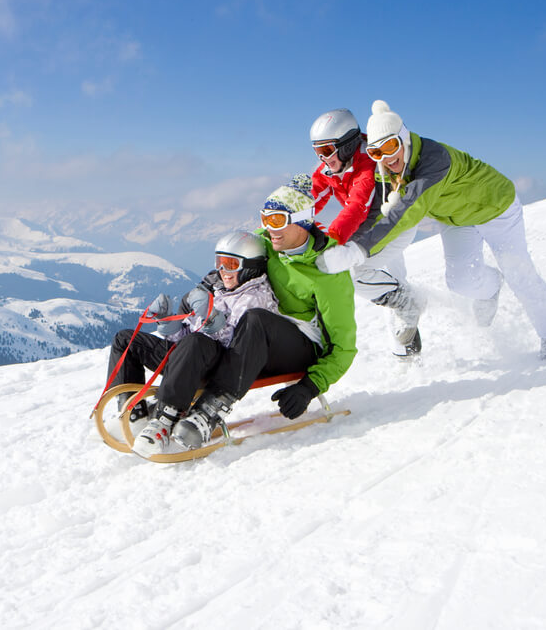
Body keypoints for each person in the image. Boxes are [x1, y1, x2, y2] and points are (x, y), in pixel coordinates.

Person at [315, 100, 546, 360]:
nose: (387, 159)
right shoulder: (386, 170)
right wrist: (348, 246)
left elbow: (406, 211)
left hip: (497, 208)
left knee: (519, 272)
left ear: (403, 138)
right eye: (377, 153)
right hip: (458, 219)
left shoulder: (433, 159)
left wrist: (357, 251)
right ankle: (491, 287)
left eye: (390, 146)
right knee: (460, 281)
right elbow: (379, 216)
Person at [133, 176, 358, 457]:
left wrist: (310, 386)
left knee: (256, 318)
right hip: (252, 342)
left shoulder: (329, 271)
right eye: (264, 219)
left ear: (302, 220)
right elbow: (236, 258)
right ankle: (162, 412)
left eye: (276, 220)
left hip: (298, 346)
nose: (268, 229)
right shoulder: (268, 241)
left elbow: (344, 347)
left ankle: (211, 409)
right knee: (227, 331)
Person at [104, 231, 280, 456]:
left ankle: (164, 419)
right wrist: (169, 326)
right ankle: (133, 415)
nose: (223, 271)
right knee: (125, 340)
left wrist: (211, 321)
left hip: (217, 364)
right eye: (220, 263)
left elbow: (238, 347)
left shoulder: (256, 298)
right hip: (190, 356)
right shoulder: (220, 289)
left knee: (197, 342)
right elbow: (188, 335)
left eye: (231, 264)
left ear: (251, 267)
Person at [309, 108, 424, 358]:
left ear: (347, 145)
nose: (323, 158)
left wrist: (331, 241)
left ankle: (408, 310)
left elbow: (357, 208)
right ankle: (406, 350)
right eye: (317, 151)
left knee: (358, 273)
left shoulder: (366, 164)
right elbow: (311, 196)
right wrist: (280, 223)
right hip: (374, 229)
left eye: (327, 150)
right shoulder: (333, 166)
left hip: (394, 225)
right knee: (386, 283)